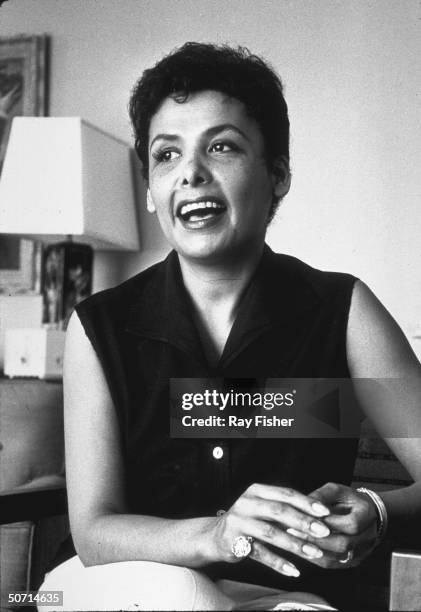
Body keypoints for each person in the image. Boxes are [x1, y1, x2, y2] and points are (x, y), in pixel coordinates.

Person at [40, 43, 421, 611]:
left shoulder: (342, 310)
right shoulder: (99, 327)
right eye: (166, 155)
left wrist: (377, 508)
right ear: (149, 190)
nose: (191, 172)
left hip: (286, 598)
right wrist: (216, 536)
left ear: (278, 175)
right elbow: (95, 533)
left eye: (221, 146)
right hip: (113, 587)